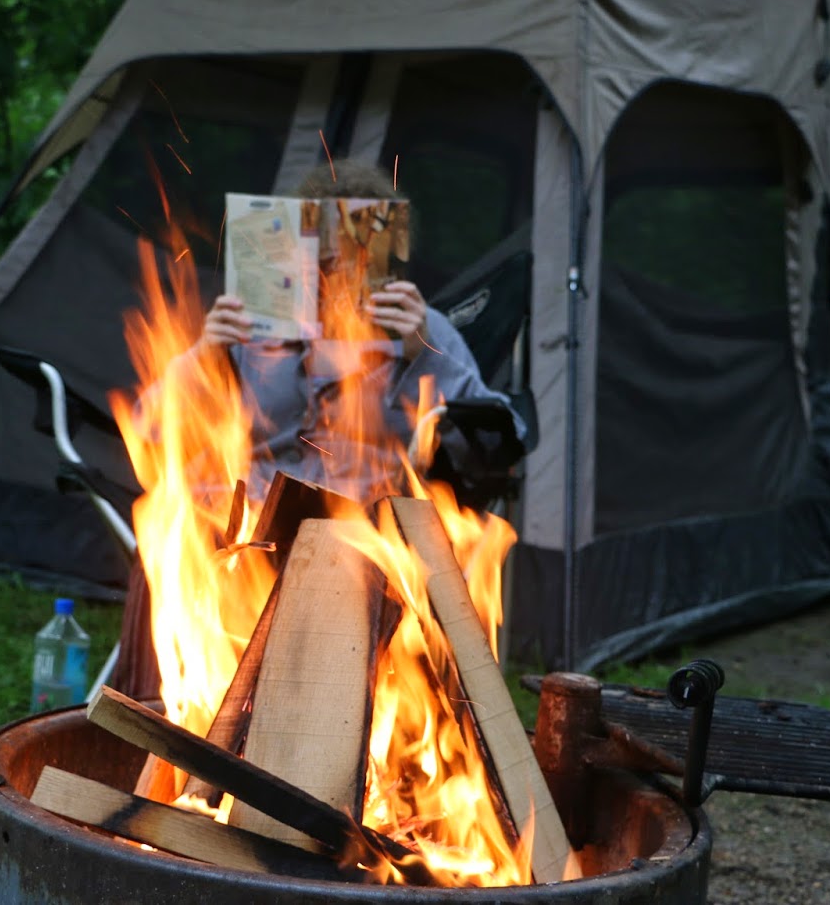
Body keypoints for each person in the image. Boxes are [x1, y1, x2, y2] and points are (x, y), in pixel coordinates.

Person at [111, 159, 523, 697]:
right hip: (251, 521)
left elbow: (503, 431)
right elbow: (147, 428)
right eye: (323, 256)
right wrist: (204, 353)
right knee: (178, 528)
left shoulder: (416, 326)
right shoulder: (250, 329)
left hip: (365, 523)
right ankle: (165, 715)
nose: (334, 271)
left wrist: (428, 352)